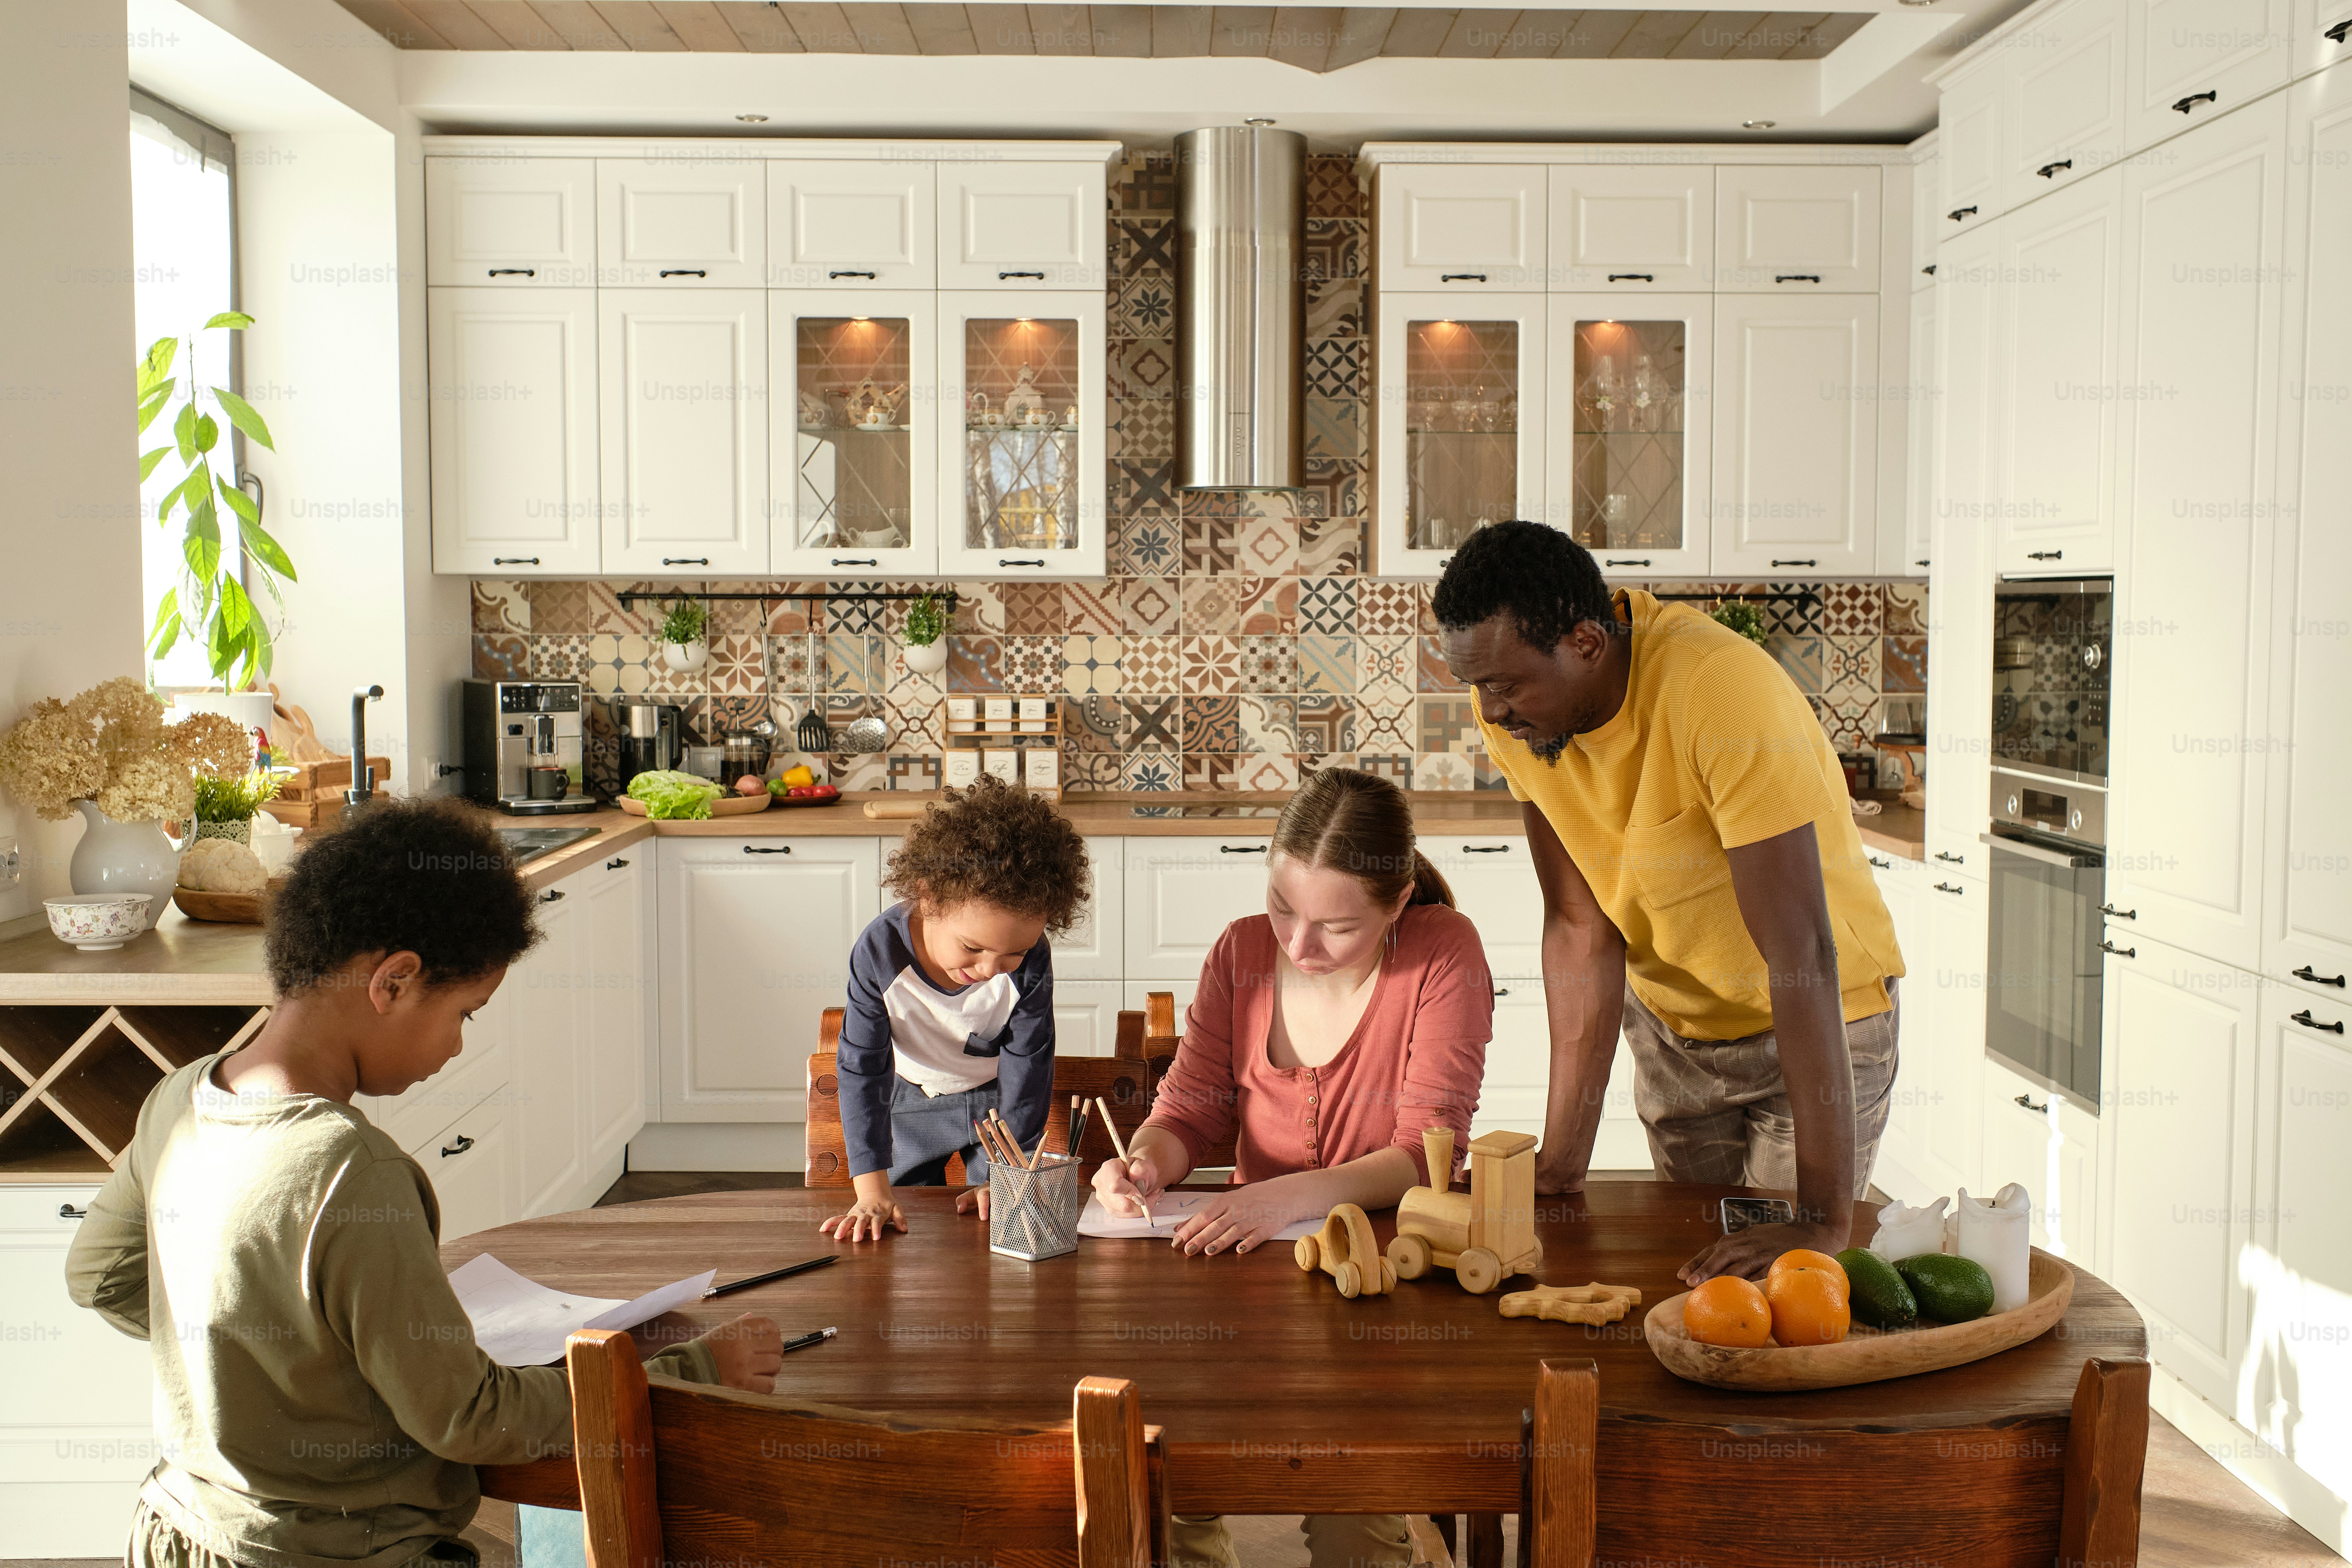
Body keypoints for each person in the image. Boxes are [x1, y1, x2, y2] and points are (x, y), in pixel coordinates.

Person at [64, 798, 784, 1568]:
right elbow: (470, 1417)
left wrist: (278, 1371)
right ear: (395, 981)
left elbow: (99, 1276)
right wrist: (695, 1369)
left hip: (178, 1531)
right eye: (468, 1012)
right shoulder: (348, 1170)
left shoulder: (177, 1100)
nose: (458, 1044)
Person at [1431, 521, 1905, 1286]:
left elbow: (1801, 954)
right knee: (1693, 1280)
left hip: (1817, 1026)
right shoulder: (1521, 723)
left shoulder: (1716, 689)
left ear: (1586, 641)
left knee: (1792, 1292)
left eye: (1508, 684)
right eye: (1476, 686)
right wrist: (1559, 1163)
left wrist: (1822, 1219)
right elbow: (1581, 927)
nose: (1489, 712)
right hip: (1676, 1036)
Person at [1093, 766, 1493, 1568]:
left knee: (1354, 1531)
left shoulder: (1444, 951)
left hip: (1385, 1279)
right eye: (1283, 908)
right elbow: (1189, 1112)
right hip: (1242, 1272)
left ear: (1399, 899)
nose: (1299, 945)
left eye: (1337, 928)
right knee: (1163, 1485)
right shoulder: (1243, 948)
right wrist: (1142, 1162)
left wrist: (1278, 1198)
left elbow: (1427, 1153)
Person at [820, 775, 1092, 1242]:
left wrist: (1007, 1173)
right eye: (972, 947)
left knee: (994, 1221)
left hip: (996, 1106)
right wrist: (870, 1189)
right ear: (929, 897)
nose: (992, 969)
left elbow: (1029, 1063)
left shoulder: (1032, 959)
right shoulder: (879, 952)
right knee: (907, 1237)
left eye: (1013, 954)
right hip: (908, 1099)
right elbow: (862, 1068)